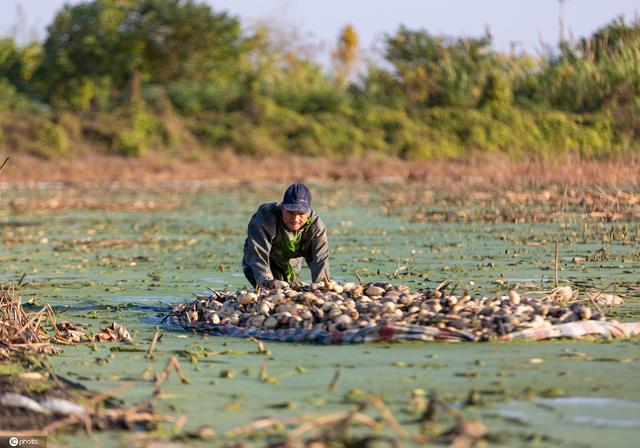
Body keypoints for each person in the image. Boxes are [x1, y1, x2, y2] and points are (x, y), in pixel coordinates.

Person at [242, 183, 330, 288]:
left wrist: (322, 285)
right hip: (260, 261)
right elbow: (258, 255)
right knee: (268, 289)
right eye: (291, 212)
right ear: (282, 207)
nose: (295, 219)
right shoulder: (264, 220)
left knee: (292, 287)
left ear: (309, 211)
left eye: (301, 214)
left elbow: (320, 259)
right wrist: (268, 282)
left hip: (291, 260)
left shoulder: (316, 227)